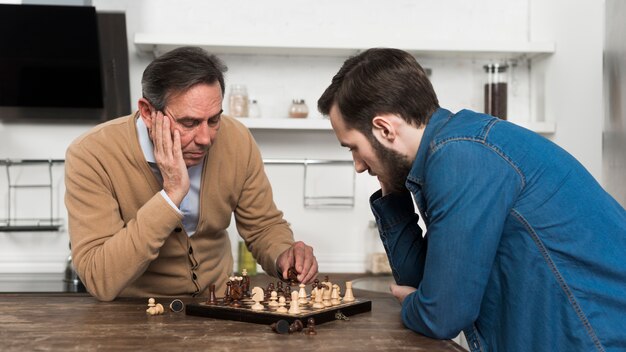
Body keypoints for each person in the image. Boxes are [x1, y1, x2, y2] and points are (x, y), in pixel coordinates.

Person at [318, 48, 626, 351]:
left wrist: (413, 304)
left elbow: (439, 315)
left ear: (384, 129)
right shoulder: (450, 151)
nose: (358, 165)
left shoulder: (461, 158)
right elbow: (427, 284)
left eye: (353, 147)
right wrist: (391, 186)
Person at [65, 46, 318, 301]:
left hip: (219, 306)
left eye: (214, 120)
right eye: (189, 123)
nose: (206, 138)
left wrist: (283, 254)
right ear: (147, 112)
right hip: (133, 313)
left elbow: (262, 226)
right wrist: (171, 195)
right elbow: (100, 278)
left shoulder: (237, 139)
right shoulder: (92, 154)